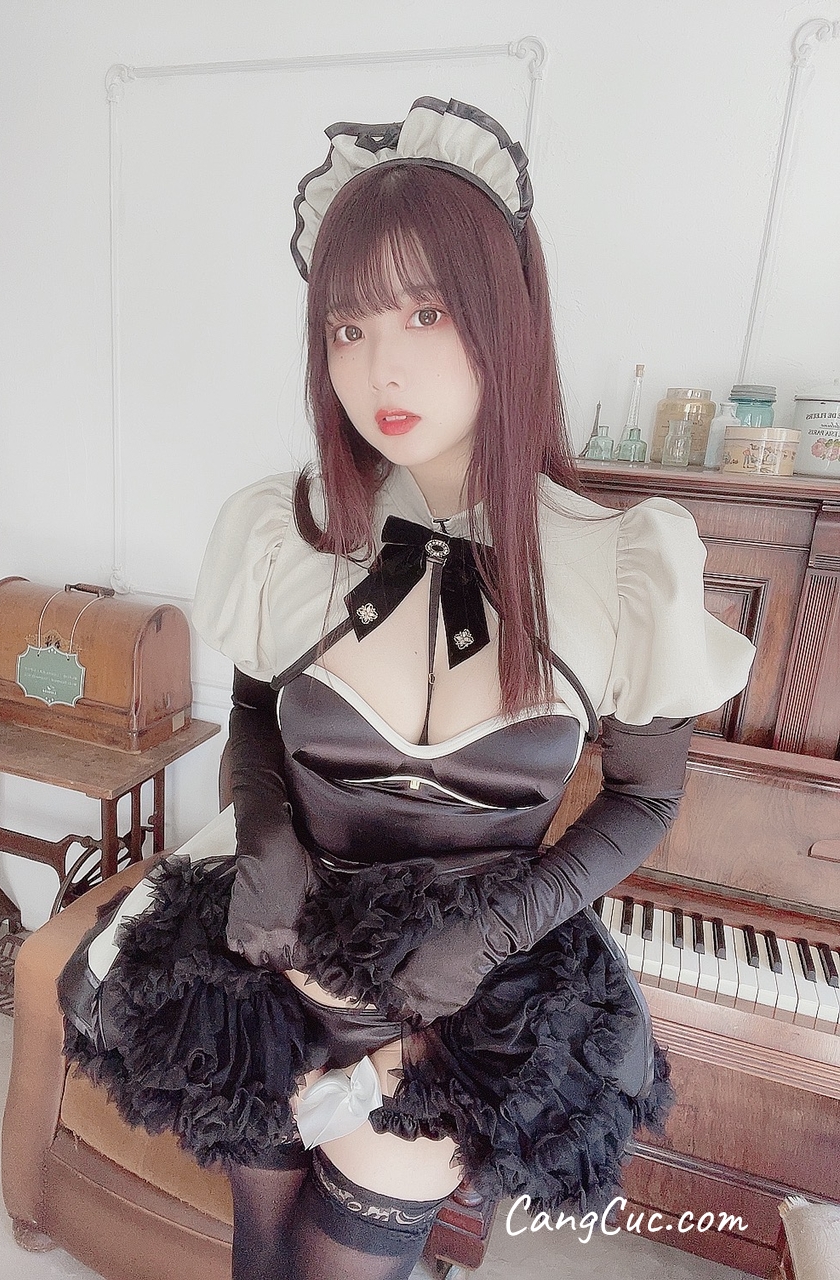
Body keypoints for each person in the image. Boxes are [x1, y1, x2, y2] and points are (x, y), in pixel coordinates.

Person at [58, 97, 756, 1280]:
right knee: (260, 1253)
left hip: (467, 991)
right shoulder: (285, 531)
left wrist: (495, 931)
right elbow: (253, 712)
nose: (380, 366)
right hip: (280, 956)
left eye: (427, 312)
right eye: (348, 325)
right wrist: (266, 841)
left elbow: (644, 796)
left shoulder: (622, 562)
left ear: (506, 317)